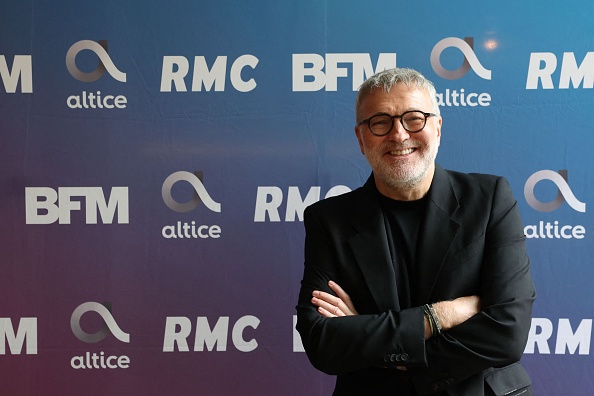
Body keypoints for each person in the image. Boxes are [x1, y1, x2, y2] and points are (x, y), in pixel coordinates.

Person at [296, 68, 536, 395]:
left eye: (414, 118)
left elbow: (507, 333)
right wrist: (438, 316)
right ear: (361, 138)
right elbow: (322, 342)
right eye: (380, 122)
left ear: (438, 127)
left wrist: (381, 345)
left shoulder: (490, 198)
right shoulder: (329, 220)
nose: (398, 135)